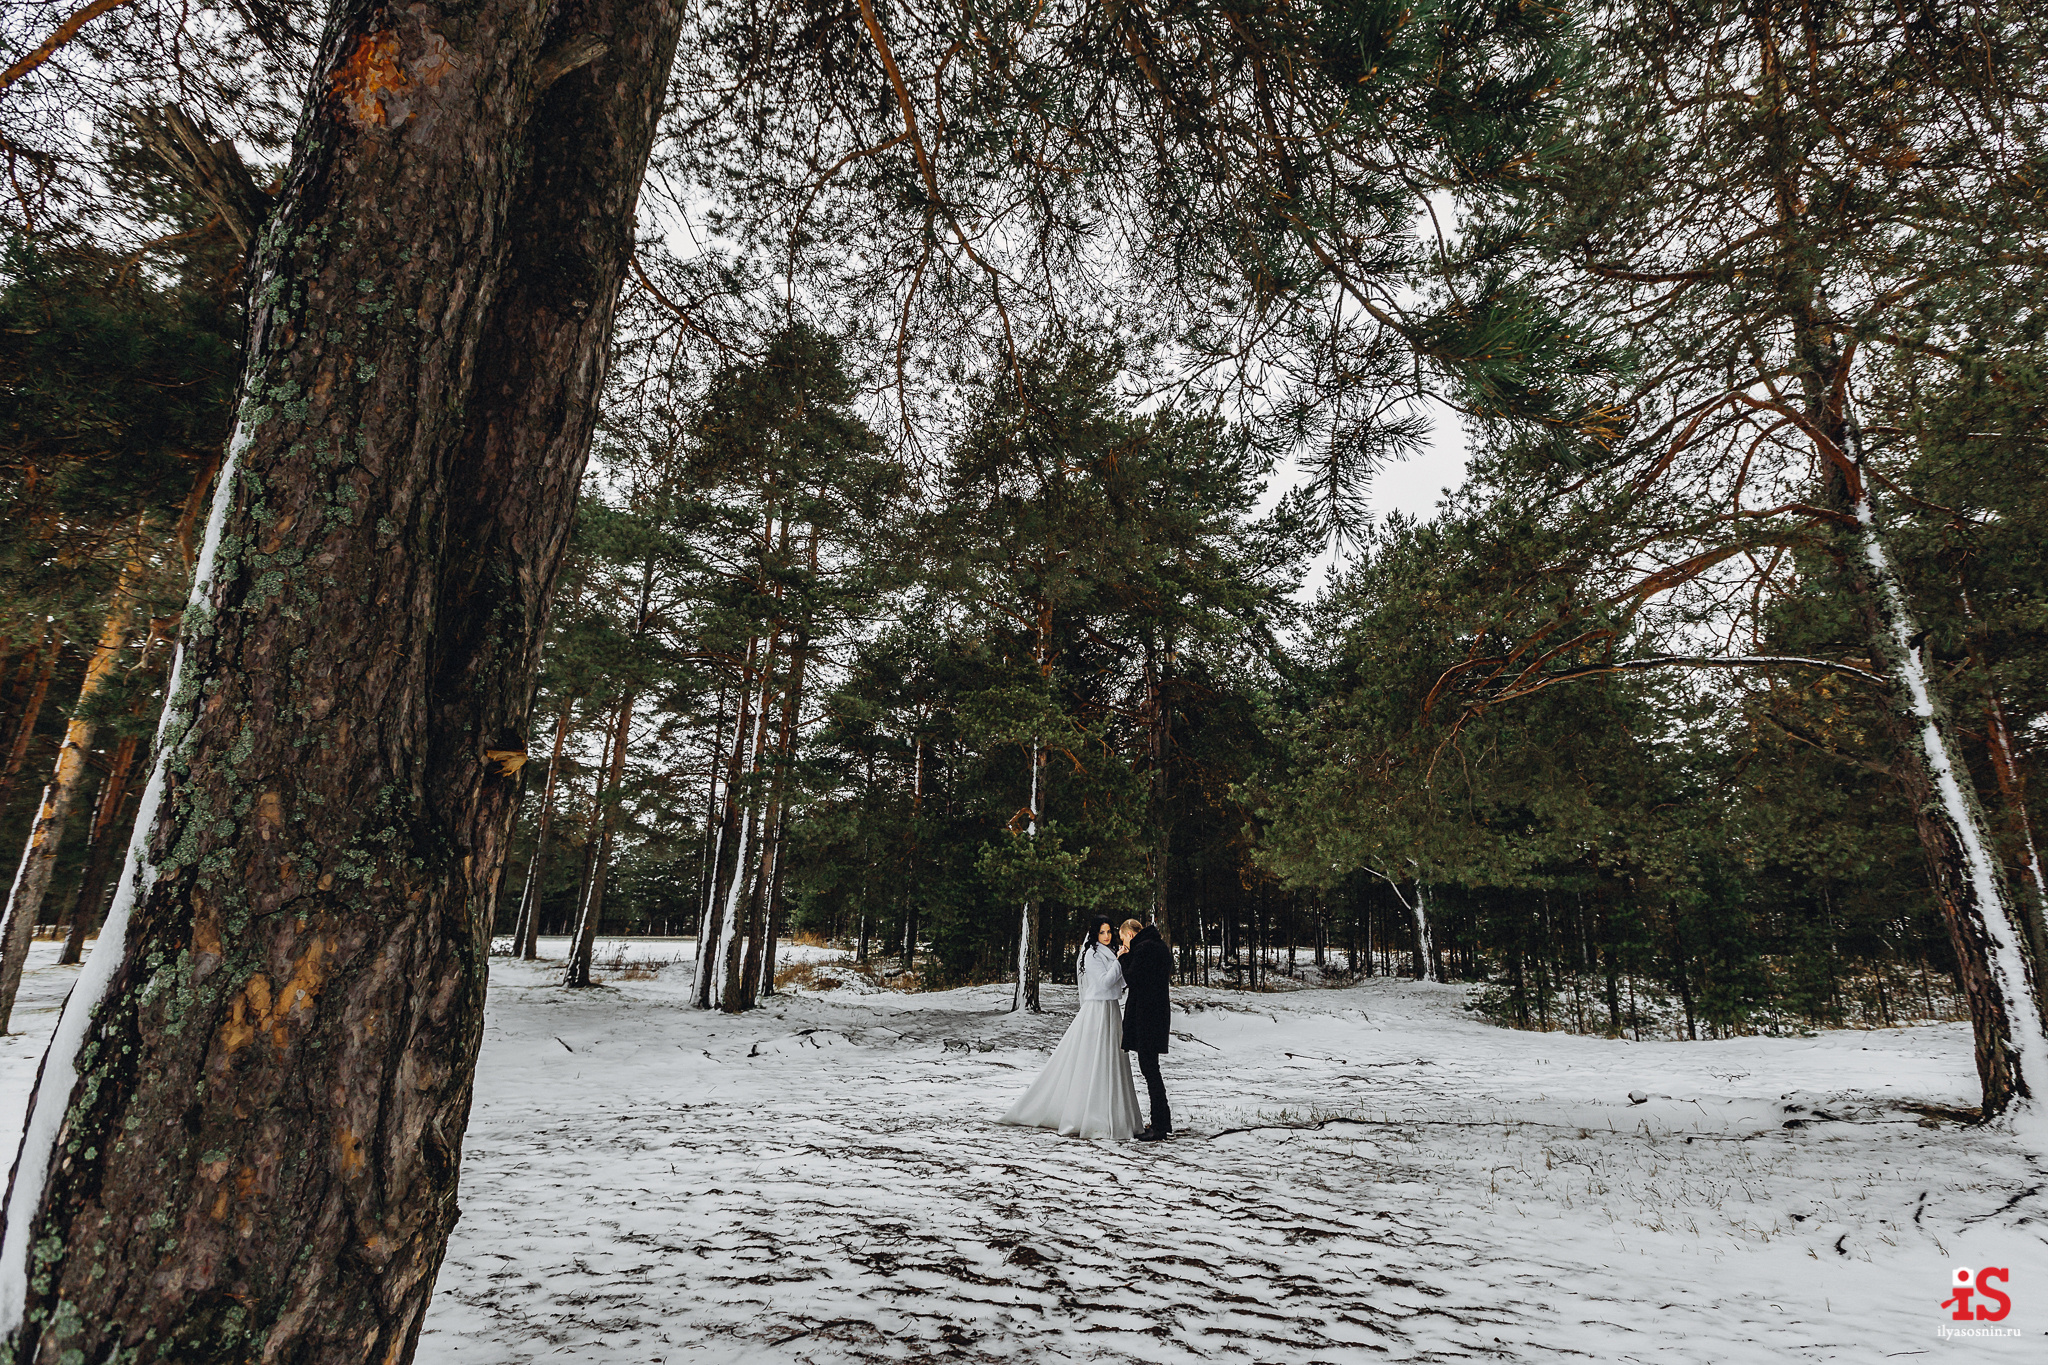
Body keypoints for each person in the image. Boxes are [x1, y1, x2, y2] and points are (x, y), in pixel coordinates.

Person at [997, 917, 1144, 1139]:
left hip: (1112, 1009)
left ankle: (1114, 1113)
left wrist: (1124, 961)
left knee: (1112, 1059)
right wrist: (1119, 961)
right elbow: (1104, 982)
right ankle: (1091, 1115)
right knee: (1094, 1059)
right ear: (1095, 934)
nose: (1106, 936)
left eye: (1109, 932)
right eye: (1102, 932)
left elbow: (1121, 982)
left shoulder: (1111, 952)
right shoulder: (1092, 955)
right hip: (1097, 1011)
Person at [1118, 918, 1173, 1140]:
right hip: (1156, 1014)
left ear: (1130, 935)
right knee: (1152, 1069)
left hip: (1147, 1016)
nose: (1124, 943)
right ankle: (1162, 1121)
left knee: (1150, 1070)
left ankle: (1160, 1124)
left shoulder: (1144, 949)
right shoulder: (1158, 946)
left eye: (1123, 938)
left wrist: (1122, 959)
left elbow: (1133, 977)